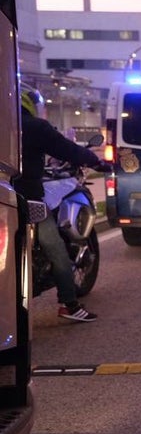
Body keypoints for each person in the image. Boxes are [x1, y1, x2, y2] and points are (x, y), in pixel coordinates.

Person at [15, 88, 111, 322]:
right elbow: (67, 149)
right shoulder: (34, 127)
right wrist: (95, 162)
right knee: (55, 248)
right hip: (27, 199)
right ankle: (70, 304)